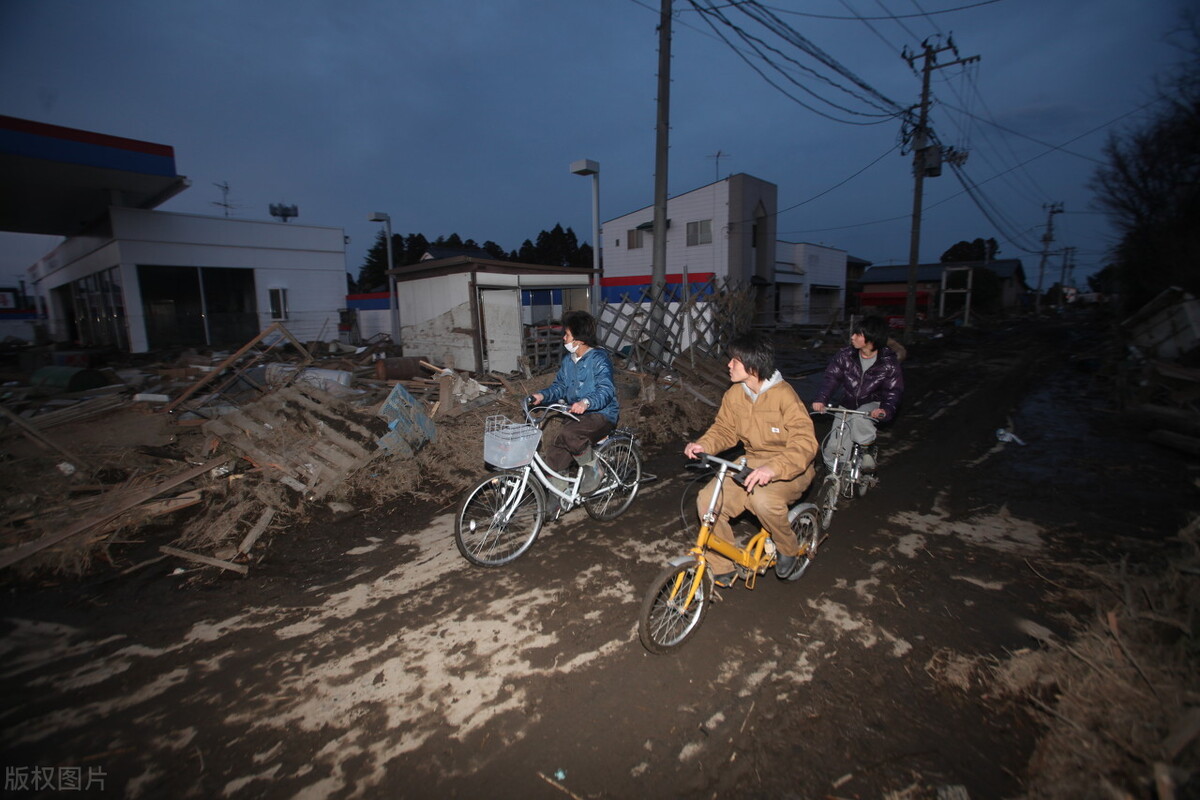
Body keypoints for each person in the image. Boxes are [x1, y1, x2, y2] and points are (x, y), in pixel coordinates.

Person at [683, 332, 819, 584]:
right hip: (752, 462)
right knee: (707, 502)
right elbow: (724, 430)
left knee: (763, 501)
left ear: (753, 365)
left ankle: (787, 547)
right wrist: (703, 445)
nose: (729, 365)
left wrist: (773, 469)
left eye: (734, 360)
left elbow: (805, 443)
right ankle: (723, 564)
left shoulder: (784, 396)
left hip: (789, 468)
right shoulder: (735, 395)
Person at [531, 310, 620, 501]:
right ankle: (559, 494)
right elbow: (560, 387)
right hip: (578, 416)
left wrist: (586, 402)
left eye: (567, 334)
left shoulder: (599, 359)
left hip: (602, 414)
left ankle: (594, 469)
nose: (564, 338)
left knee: (570, 434)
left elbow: (606, 390)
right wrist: (542, 396)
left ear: (579, 339)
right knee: (555, 449)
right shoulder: (568, 361)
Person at [810, 315, 904, 471]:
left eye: (858, 334)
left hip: (872, 404)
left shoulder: (888, 363)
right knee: (834, 447)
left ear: (871, 338)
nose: (852, 337)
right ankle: (839, 473)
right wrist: (821, 399)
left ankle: (866, 449)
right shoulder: (845, 355)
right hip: (847, 403)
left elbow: (893, 391)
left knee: (860, 417)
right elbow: (831, 378)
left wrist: (885, 410)